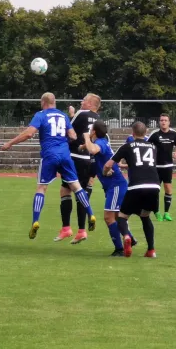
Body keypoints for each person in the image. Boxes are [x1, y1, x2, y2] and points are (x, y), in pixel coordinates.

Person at [1, 92, 95, 240]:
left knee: (41, 188)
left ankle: (35, 221)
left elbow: (29, 134)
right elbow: (73, 136)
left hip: (49, 155)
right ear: (54, 102)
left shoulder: (41, 114)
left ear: (42, 102)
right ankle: (91, 214)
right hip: (65, 154)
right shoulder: (63, 115)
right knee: (76, 187)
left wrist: (10, 143)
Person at [104, 121, 159, 258]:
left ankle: (127, 236)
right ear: (146, 133)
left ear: (133, 133)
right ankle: (151, 250)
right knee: (145, 217)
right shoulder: (153, 147)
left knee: (122, 217)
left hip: (136, 186)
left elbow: (109, 164)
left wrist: (105, 172)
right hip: (154, 186)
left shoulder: (127, 146)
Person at [55, 94, 101, 244]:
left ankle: (66, 228)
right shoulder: (98, 119)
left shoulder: (81, 113)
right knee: (81, 194)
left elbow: (70, 131)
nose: (81, 102)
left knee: (65, 190)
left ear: (89, 103)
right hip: (88, 160)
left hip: (74, 157)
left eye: (84, 100)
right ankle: (81, 230)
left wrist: (71, 116)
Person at [82, 120, 132, 256]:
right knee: (116, 216)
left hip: (115, 185)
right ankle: (130, 239)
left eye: (91, 130)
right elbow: (91, 148)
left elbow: (93, 149)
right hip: (113, 185)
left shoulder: (100, 143)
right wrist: (83, 146)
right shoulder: (101, 142)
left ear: (94, 132)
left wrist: (86, 138)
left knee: (108, 217)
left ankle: (119, 249)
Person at [148, 114, 176, 221]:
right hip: (156, 166)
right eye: (161, 120)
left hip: (167, 166)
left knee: (168, 188)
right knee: (155, 190)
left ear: (169, 122)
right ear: (159, 122)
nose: (163, 122)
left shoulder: (173, 134)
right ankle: (157, 212)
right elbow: (146, 145)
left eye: (165, 120)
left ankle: (166, 213)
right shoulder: (155, 134)